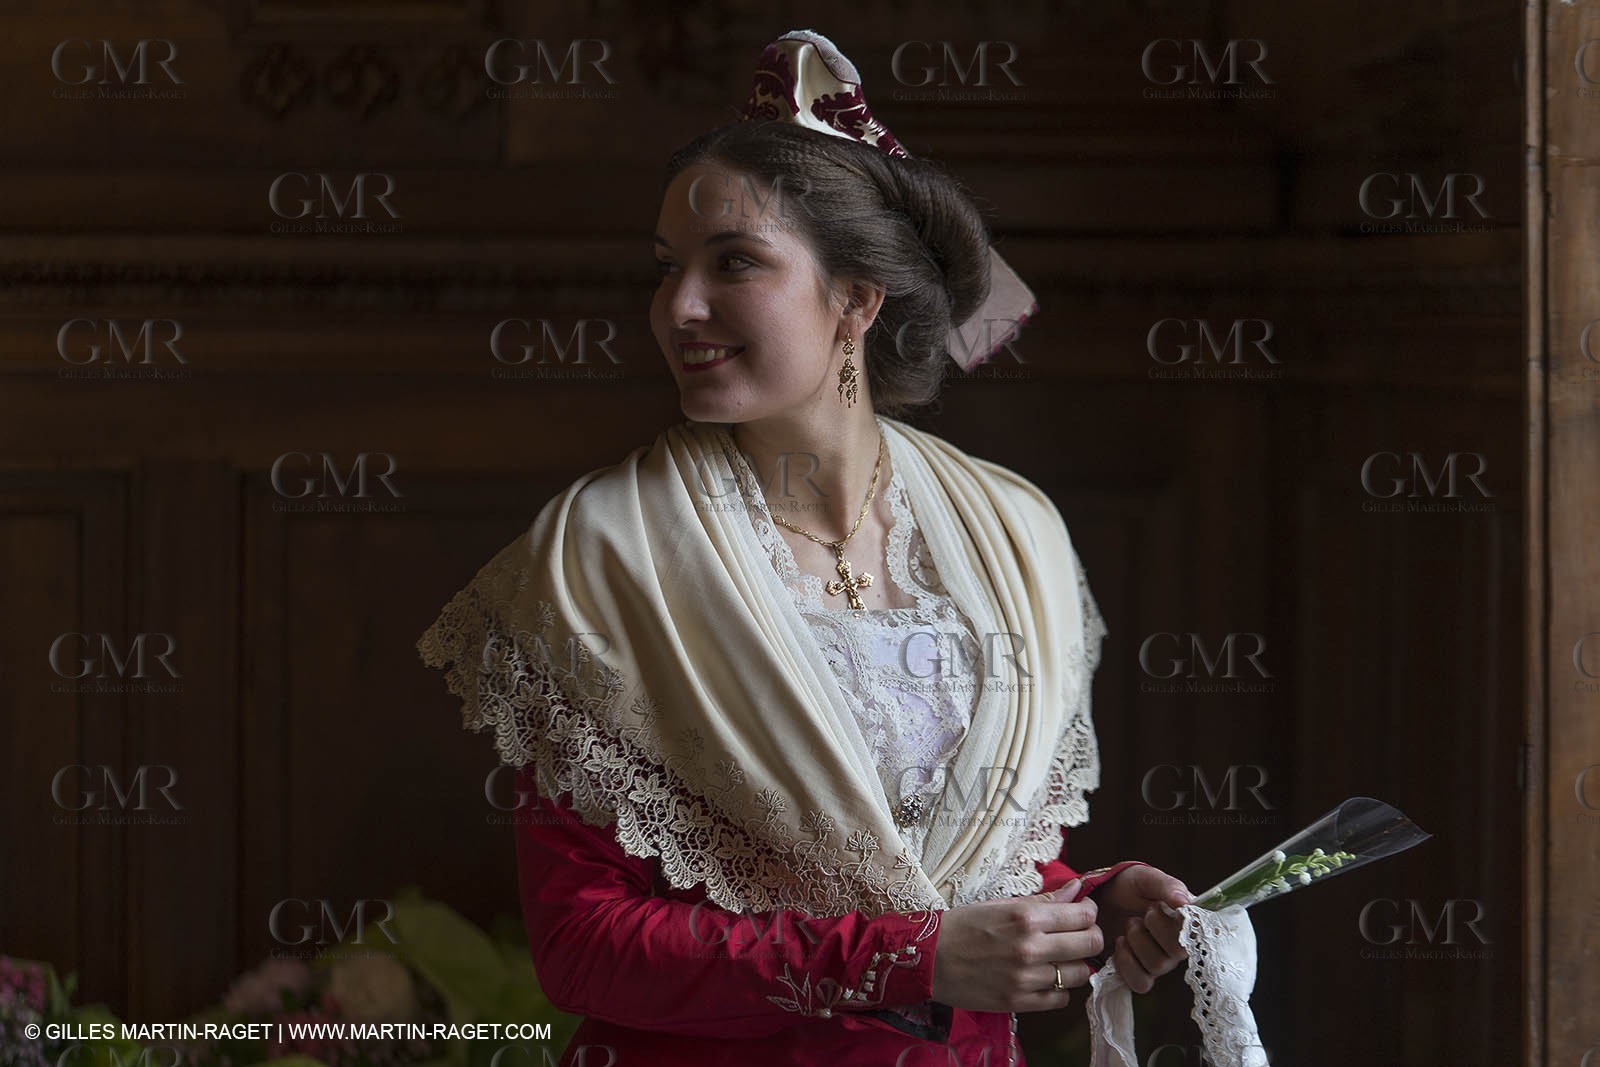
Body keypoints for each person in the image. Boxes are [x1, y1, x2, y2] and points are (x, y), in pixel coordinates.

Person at [418, 30, 1191, 1067]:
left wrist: (1087, 909)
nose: (679, 308)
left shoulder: (1009, 529)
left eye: (733, 262)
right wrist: (908, 958)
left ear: (856, 298)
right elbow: (582, 946)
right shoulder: (601, 553)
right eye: (666, 270)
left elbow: (944, 872)